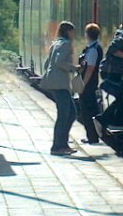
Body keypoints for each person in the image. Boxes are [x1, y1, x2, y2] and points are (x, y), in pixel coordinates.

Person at [40, 21, 78, 155]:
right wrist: (74, 68)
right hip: (60, 84)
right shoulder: (66, 44)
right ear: (68, 31)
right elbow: (59, 61)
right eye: (72, 31)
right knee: (64, 115)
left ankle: (62, 143)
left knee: (71, 113)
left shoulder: (55, 43)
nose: (74, 34)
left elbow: (47, 63)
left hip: (54, 82)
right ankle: (57, 146)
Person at [76, 23, 103, 144]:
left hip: (88, 85)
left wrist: (82, 84)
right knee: (90, 109)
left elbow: (90, 68)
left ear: (87, 34)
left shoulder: (93, 50)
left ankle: (92, 137)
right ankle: (93, 135)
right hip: (90, 84)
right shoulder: (93, 47)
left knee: (87, 111)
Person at [98, 25, 123, 128]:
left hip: (112, 71)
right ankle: (106, 119)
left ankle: (116, 120)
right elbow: (112, 49)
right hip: (112, 72)